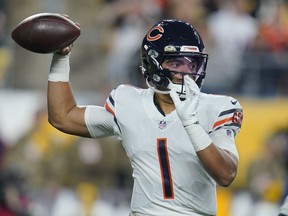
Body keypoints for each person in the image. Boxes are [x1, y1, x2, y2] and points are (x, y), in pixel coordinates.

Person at [47, 19, 243, 216]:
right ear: (153, 63)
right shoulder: (128, 102)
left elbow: (226, 174)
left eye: (192, 64)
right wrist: (60, 58)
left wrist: (191, 124)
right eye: (176, 63)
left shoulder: (219, 107)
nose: (186, 72)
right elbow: (62, 117)